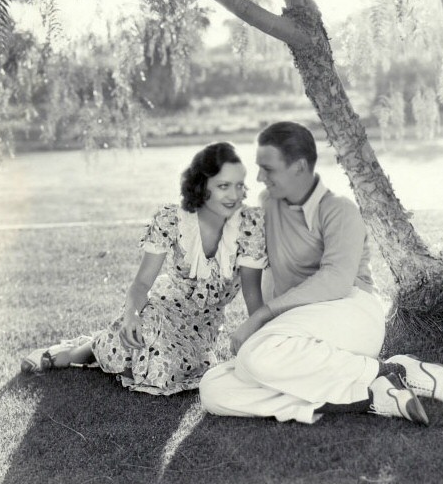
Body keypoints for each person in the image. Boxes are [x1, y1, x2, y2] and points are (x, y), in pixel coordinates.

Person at [199, 122, 443, 425]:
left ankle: (391, 371)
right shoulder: (266, 207)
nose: (259, 177)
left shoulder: (340, 211)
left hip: (351, 314)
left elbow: (336, 281)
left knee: (256, 356)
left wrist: (259, 319)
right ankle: (369, 394)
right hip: (295, 333)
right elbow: (253, 264)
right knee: (213, 387)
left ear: (299, 167)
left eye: (268, 169)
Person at [21, 142, 266, 395]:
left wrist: (260, 343)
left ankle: (105, 346)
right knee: (138, 338)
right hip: (163, 306)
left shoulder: (249, 226)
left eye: (239, 185)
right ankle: (83, 350)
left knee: (160, 370)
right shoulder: (171, 219)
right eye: (223, 186)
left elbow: (252, 294)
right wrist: (132, 315)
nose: (234, 195)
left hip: (203, 324)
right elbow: (141, 284)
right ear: (202, 186)